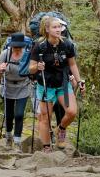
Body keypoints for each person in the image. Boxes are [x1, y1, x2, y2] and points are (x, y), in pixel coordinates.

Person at [29, 16, 85, 152]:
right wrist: (38, 67)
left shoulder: (67, 45)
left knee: (72, 112)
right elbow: (30, 68)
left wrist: (79, 81)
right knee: (45, 117)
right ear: (47, 29)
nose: (58, 29)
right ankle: (46, 147)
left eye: (59, 27)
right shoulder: (39, 46)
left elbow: (72, 64)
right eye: (55, 27)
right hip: (46, 85)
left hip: (63, 84)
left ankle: (61, 129)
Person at [0, 32, 31, 148]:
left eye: (19, 47)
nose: (17, 49)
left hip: (23, 86)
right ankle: (8, 135)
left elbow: (33, 71)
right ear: (11, 45)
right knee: (8, 115)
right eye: (15, 46)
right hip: (7, 86)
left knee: (19, 114)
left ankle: (17, 141)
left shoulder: (27, 55)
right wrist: (0, 70)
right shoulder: (5, 54)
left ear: (23, 46)